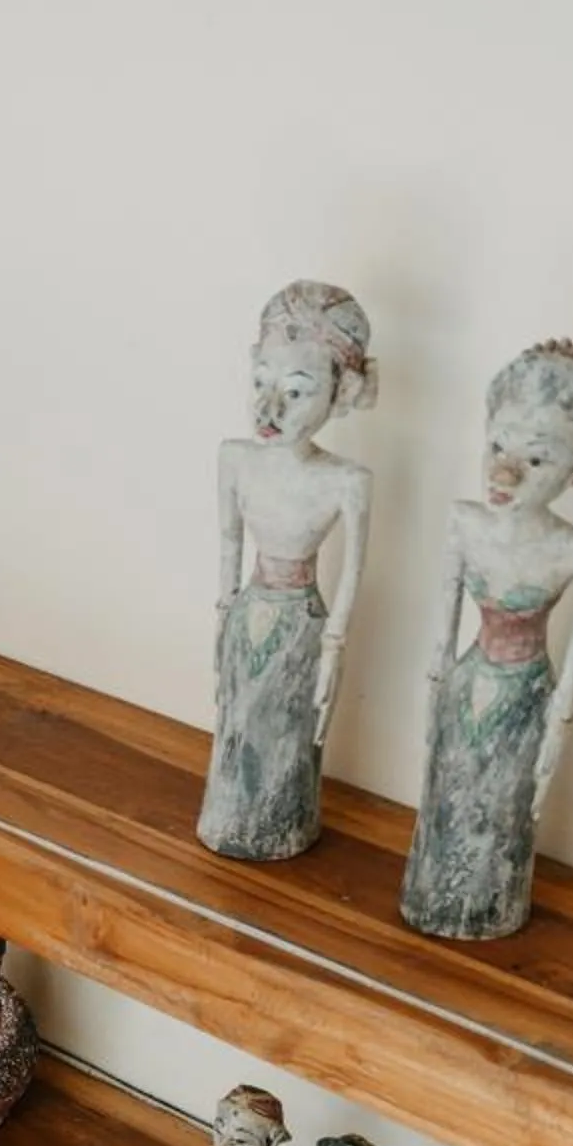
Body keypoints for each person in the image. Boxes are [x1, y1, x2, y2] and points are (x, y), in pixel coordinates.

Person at [401, 340, 573, 942]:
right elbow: (443, 622)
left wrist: (558, 721)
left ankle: (487, 908)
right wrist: (434, 683)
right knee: (445, 792)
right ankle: (429, 899)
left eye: (535, 460)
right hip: (464, 682)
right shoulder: (464, 521)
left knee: (502, 809)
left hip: (526, 698)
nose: (502, 473)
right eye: (498, 447)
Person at [198, 280, 375, 862]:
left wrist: (335, 646)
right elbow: (228, 544)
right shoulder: (235, 458)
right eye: (261, 383)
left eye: (297, 391)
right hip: (249, 609)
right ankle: (229, 819)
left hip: (303, 620)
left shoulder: (346, 481)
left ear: (341, 392)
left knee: (287, 734)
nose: (269, 408)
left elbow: (352, 573)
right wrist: (223, 615)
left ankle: (282, 824)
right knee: (238, 723)